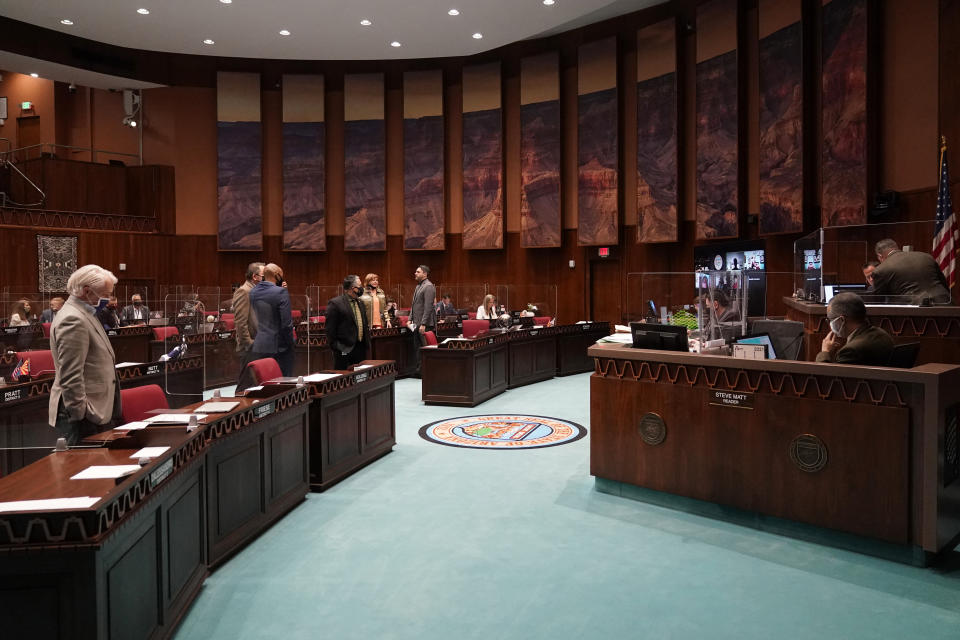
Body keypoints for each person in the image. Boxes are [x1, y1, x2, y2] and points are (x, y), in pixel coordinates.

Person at [48, 264, 121, 444]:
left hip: (94, 411)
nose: (108, 299)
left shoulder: (85, 313)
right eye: (105, 295)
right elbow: (71, 375)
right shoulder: (73, 319)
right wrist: (81, 412)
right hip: (84, 416)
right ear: (87, 291)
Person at [816, 292, 894, 366]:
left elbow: (829, 378)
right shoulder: (883, 334)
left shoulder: (851, 351)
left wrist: (825, 352)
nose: (830, 324)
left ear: (842, 320)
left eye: (830, 319)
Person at [249, 262, 295, 376]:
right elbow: (286, 324)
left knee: (264, 382)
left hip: (261, 344)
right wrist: (291, 343)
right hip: (279, 347)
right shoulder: (281, 292)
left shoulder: (253, 292)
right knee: (283, 382)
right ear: (278, 275)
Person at [871, 238, 950, 304]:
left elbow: (877, 302)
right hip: (945, 304)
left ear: (879, 256)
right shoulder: (926, 256)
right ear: (896, 247)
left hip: (915, 314)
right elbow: (943, 283)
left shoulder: (881, 269)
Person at [325, 275, 371, 369]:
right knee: (344, 380)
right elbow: (330, 329)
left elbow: (364, 323)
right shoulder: (336, 303)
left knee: (360, 378)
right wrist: (337, 347)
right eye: (360, 285)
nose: (362, 288)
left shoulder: (360, 303)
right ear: (353, 288)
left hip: (360, 348)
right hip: (344, 349)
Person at [232, 262, 263, 390]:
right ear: (255, 277)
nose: (266, 278)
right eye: (264, 275)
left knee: (254, 384)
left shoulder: (256, 291)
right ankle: (238, 408)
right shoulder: (244, 291)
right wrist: (249, 343)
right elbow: (240, 322)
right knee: (245, 385)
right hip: (250, 347)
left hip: (258, 344)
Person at [408, 265, 436, 373]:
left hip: (425, 324)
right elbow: (414, 304)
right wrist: (410, 319)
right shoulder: (418, 286)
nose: (415, 273)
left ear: (425, 274)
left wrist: (424, 323)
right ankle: (420, 371)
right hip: (416, 323)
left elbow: (428, 307)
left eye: (418, 272)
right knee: (417, 348)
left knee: (426, 348)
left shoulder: (428, 286)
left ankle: (428, 372)